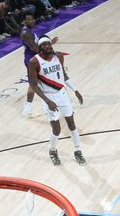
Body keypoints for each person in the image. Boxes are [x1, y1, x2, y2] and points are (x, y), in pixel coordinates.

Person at [28, 37, 86, 165]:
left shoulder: (58, 56)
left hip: (62, 94)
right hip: (49, 97)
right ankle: (53, 150)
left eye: (49, 43)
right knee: (57, 129)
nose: (48, 46)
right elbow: (33, 84)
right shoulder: (34, 62)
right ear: (40, 48)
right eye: (45, 45)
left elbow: (64, 75)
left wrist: (75, 90)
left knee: (72, 124)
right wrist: (47, 101)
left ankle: (78, 151)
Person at [20, 13, 58, 117]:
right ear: (24, 21)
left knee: (38, 82)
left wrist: (49, 43)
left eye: (32, 19)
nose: (31, 21)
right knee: (35, 83)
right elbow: (35, 48)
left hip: (36, 57)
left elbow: (37, 46)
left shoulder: (29, 31)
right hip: (32, 59)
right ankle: (30, 107)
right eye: (28, 19)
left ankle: (28, 108)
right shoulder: (25, 33)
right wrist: (49, 49)